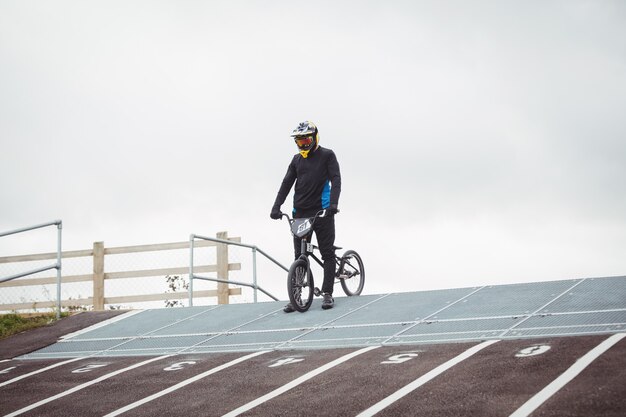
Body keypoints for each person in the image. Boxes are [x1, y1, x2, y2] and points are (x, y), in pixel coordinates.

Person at [270, 121, 341, 312]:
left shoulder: (327, 155)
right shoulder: (296, 160)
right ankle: (296, 297)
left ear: (315, 137)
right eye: (299, 142)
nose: (303, 145)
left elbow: (336, 179)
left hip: (323, 212)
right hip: (300, 214)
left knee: (326, 253)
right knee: (299, 255)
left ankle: (327, 293)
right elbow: (286, 184)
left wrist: (333, 204)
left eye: (306, 140)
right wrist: (276, 207)